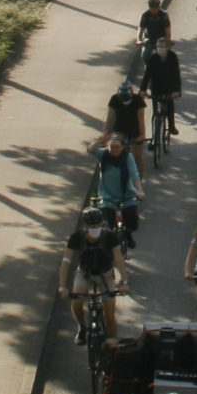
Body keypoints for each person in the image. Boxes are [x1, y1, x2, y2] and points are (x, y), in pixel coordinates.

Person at [60, 205, 130, 346]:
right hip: (85, 272)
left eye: (97, 224)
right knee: (77, 300)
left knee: (109, 313)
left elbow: (118, 258)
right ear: (85, 225)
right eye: (91, 225)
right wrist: (62, 286)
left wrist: (124, 281)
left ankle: (112, 347)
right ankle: (81, 326)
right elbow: (66, 260)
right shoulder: (77, 237)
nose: (94, 228)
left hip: (105, 274)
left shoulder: (110, 236)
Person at [90, 132, 143, 248]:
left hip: (127, 194)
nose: (113, 150)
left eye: (117, 147)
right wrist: (99, 140)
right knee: (108, 222)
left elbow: (135, 175)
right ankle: (112, 243)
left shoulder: (128, 157)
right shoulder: (103, 154)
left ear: (123, 148)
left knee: (131, 219)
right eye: (111, 147)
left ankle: (128, 234)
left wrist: (139, 191)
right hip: (107, 195)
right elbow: (90, 149)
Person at [104, 80, 149, 168]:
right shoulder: (114, 99)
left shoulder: (138, 100)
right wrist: (106, 133)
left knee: (138, 156)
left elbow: (141, 120)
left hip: (134, 126)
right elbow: (109, 119)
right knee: (115, 147)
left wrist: (142, 135)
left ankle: (139, 179)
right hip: (119, 126)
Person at [145, 38, 183, 135]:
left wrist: (177, 91)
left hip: (169, 87)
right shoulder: (152, 59)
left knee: (169, 105)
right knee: (156, 113)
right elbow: (147, 75)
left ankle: (171, 126)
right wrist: (142, 89)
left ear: (168, 48)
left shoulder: (172, 57)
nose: (159, 49)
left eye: (162, 47)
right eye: (158, 47)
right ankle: (154, 137)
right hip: (156, 87)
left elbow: (176, 75)